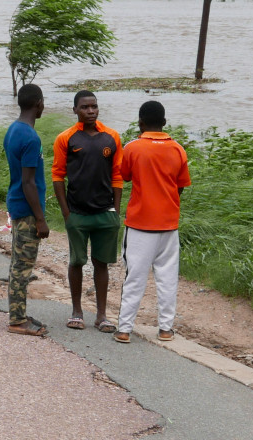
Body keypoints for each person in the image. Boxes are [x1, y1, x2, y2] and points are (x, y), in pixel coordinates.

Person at [114, 101, 191, 344]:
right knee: (168, 278)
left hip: (139, 225)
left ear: (141, 123)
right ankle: (166, 329)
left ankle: (125, 329)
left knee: (134, 277)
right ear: (165, 123)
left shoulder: (133, 147)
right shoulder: (178, 149)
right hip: (169, 225)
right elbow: (180, 187)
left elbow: (125, 176)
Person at [52, 90, 123, 332]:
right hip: (77, 213)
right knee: (77, 262)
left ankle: (102, 315)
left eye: (94, 106)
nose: (90, 111)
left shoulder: (112, 137)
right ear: (75, 110)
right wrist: (66, 213)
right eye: (84, 107)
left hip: (105, 213)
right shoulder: (66, 138)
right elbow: (58, 175)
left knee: (101, 263)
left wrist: (116, 210)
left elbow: (117, 176)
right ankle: (77, 311)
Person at [3, 83, 50, 337]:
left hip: (16, 204)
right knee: (22, 266)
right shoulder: (31, 138)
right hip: (27, 209)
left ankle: (18, 313)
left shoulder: (13, 130)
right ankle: (17, 320)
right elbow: (29, 182)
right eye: (43, 103)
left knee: (17, 263)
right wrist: (40, 220)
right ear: (38, 103)